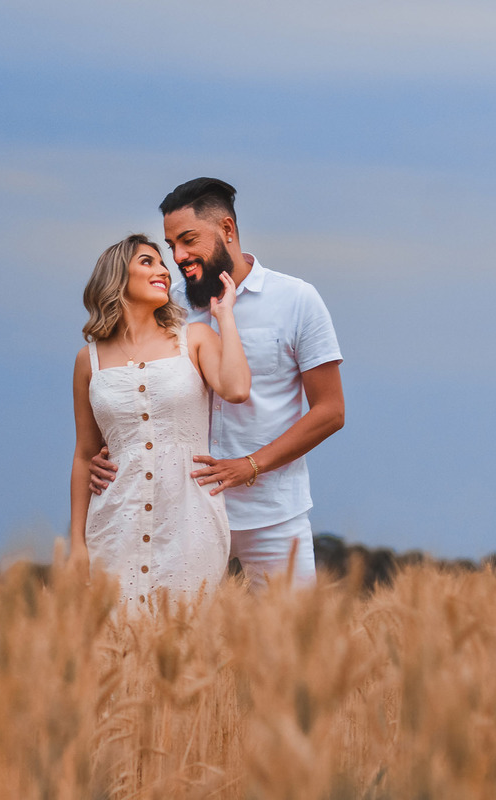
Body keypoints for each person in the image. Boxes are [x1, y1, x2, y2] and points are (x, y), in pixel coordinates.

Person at [91, 179, 344, 590]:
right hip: (179, 514)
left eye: (188, 240)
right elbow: (128, 381)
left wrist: (251, 465)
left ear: (227, 229)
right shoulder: (165, 305)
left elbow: (330, 411)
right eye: (170, 245)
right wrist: (108, 451)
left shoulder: (297, 300)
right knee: (176, 646)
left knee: (294, 648)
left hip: (274, 515)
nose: (178, 257)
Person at [69, 233, 250, 606]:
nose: (163, 271)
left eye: (162, 264)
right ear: (117, 276)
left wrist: (225, 316)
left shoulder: (195, 337)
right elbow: (84, 453)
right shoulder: (89, 361)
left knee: (188, 639)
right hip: (115, 519)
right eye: (147, 262)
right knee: (117, 646)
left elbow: (236, 389)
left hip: (190, 517)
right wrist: (76, 543)